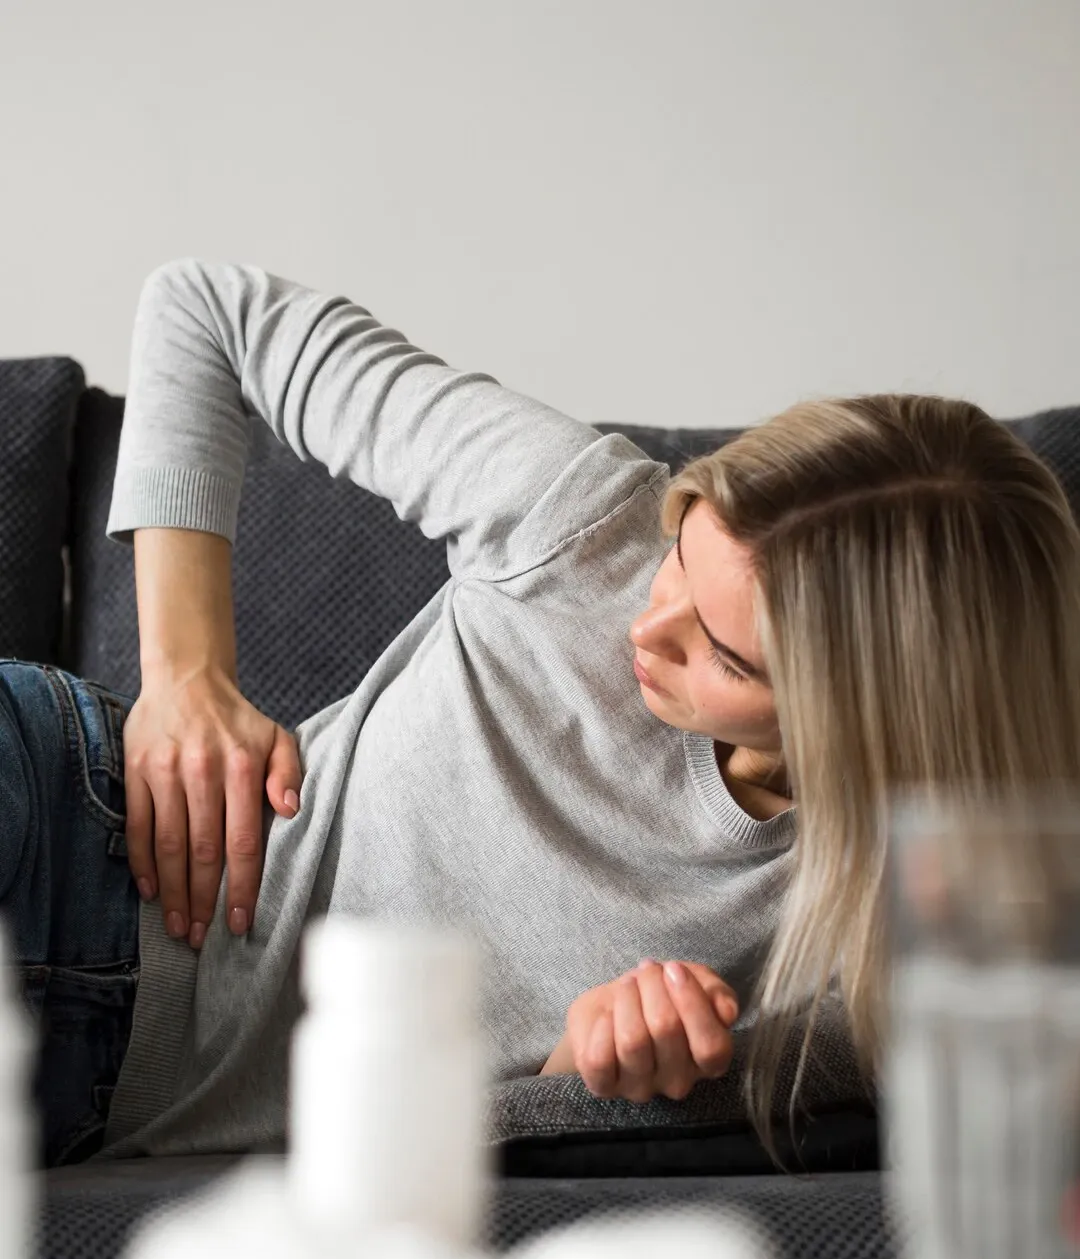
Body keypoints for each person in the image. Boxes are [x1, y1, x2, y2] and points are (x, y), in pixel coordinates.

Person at [3, 259, 1079, 1168]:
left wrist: (588, 1079)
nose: (648, 626)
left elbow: (493, 1138)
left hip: (81, 1101)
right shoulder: (584, 522)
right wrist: (186, 676)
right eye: (681, 553)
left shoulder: (897, 937)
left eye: (722, 652)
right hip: (68, 832)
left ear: (876, 718)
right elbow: (206, 309)